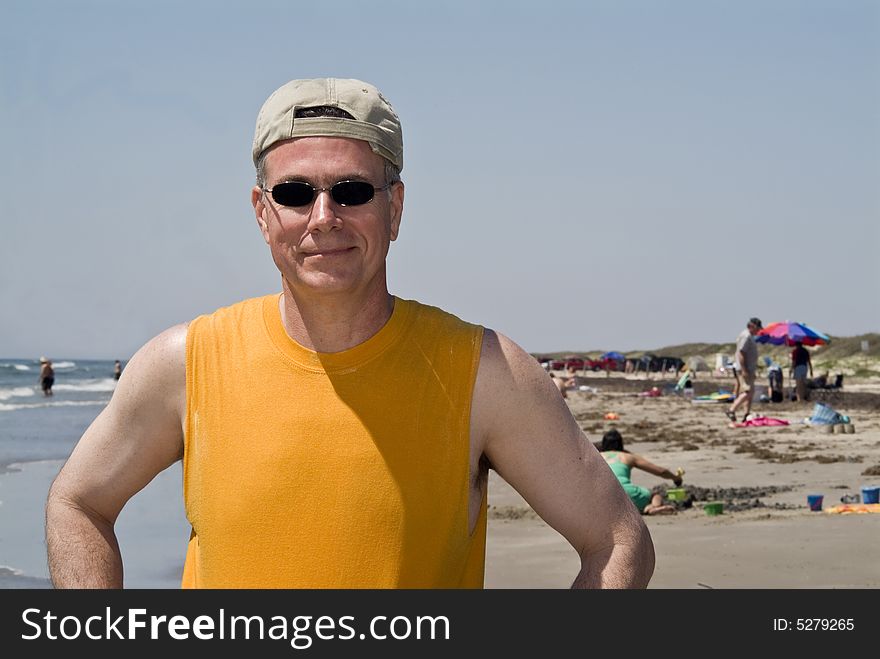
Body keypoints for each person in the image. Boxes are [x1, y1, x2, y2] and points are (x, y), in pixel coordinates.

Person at [46, 77, 654, 589]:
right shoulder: (186, 363)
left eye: (353, 191)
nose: (324, 217)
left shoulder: (484, 372)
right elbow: (78, 504)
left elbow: (618, 540)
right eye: (294, 193)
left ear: (395, 209)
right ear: (263, 212)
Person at [598, 429, 681, 515]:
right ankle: (653, 507)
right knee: (654, 495)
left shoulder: (597, 456)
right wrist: (676, 478)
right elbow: (661, 471)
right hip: (627, 493)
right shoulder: (627, 457)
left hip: (602, 496)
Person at [725, 317, 761, 423]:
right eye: (757, 328)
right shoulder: (745, 336)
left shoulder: (750, 336)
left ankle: (746, 414)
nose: (758, 331)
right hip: (744, 368)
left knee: (751, 392)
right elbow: (741, 353)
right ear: (752, 326)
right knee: (748, 391)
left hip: (750, 369)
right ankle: (732, 409)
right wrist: (744, 369)